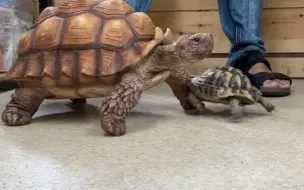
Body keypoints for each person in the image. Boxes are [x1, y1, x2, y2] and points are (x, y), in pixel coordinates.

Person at [124, 0, 292, 97]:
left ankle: (247, 54)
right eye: (196, 40)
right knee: (124, 60)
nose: (208, 38)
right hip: (119, 52)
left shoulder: (172, 66)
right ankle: (119, 45)